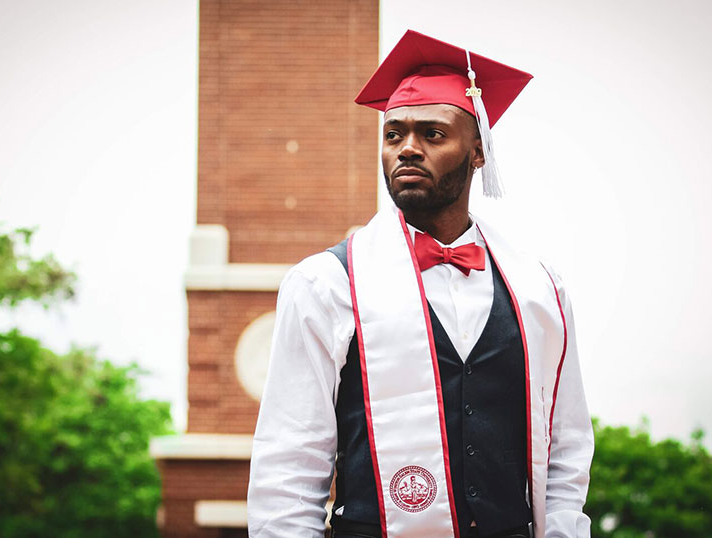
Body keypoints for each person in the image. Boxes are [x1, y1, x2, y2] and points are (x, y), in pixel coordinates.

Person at [247, 30, 594, 538]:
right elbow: (289, 464)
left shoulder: (539, 288)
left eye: (432, 134)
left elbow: (565, 449)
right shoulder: (326, 284)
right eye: (393, 135)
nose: (407, 149)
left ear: (479, 152)